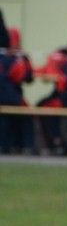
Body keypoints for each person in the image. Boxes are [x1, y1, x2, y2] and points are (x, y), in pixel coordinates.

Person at [0, 26, 35, 155]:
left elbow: (28, 78)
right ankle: (27, 146)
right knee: (21, 115)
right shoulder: (18, 58)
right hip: (12, 98)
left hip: (13, 98)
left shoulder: (20, 57)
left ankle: (16, 146)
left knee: (24, 114)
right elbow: (28, 78)